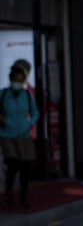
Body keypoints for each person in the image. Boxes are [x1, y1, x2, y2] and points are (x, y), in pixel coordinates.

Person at [0, 63, 39, 209]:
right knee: (13, 162)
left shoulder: (27, 95)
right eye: (15, 78)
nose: (17, 81)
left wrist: (29, 124)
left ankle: (23, 196)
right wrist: (3, 120)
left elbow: (35, 113)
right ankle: (9, 190)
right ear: (11, 79)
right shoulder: (3, 94)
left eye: (19, 78)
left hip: (24, 135)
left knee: (24, 166)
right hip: (7, 135)